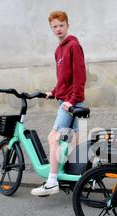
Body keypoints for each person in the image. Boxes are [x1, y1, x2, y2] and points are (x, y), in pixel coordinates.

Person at [31, 11, 87, 196]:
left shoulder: (73, 46)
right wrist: (53, 92)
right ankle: (80, 178)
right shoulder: (59, 50)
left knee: (53, 138)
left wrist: (71, 101)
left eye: (61, 25)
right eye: (54, 26)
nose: (58, 29)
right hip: (65, 100)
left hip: (71, 102)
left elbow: (80, 77)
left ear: (67, 25)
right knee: (74, 141)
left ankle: (52, 181)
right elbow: (64, 78)